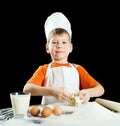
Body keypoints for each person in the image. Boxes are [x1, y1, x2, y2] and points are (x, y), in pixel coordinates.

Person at [23, 12, 105, 105]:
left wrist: (89, 93)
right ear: (47, 48)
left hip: (75, 115)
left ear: (71, 48)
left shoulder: (78, 69)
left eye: (64, 42)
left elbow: (100, 89)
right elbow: (27, 89)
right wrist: (52, 92)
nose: (59, 46)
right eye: (54, 42)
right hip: (51, 115)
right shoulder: (44, 69)